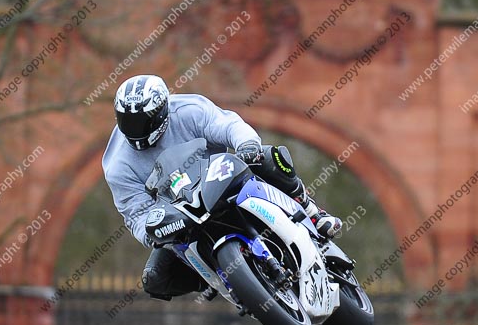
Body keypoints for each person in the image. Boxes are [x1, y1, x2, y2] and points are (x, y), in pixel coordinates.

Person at [102, 74, 342, 301]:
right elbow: (135, 213)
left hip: (221, 178)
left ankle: (311, 210)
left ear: (163, 110)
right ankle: (214, 279)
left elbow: (229, 126)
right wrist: (151, 233)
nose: (137, 129)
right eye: (128, 121)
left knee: (265, 156)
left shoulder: (189, 111)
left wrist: (246, 144)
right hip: (181, 216)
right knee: (154, 279)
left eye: (144, 120)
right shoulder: (117, 165)